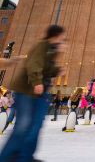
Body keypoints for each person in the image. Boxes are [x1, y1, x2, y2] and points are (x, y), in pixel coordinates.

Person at [0, 24, 65, 162]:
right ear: (56, 35)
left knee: (34, 126)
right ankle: (6, 158)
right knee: (23, 126)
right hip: (26, 91)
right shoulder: (42, 46)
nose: (63, 39)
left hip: (37, 93)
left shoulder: (51, 51)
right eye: (62, 36)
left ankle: (25, 157)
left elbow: (47, 69)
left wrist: (58, 70)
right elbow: (34, 64)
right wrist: (37, 82)